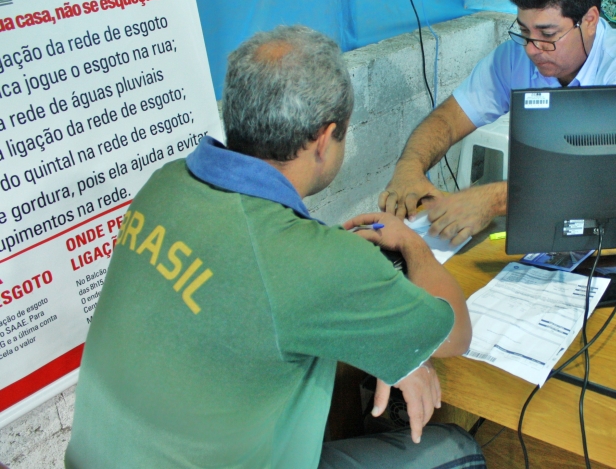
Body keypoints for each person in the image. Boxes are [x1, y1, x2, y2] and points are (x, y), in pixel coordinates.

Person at [65, 26, 484, 469]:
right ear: (325, 139)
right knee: (459, 449)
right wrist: (412, 245)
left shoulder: (166, 183)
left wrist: (392, 352)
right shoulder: (320, 263)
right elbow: (455, 334)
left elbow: (241, 290)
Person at [379, 0, 616, 243]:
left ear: (590, 20)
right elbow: (448, 119)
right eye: (524, 31)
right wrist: (409, 166)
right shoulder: (516, 57)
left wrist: (494, 200)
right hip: (545, 226)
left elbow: (613, 176)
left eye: (547, 34)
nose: (532, 48)